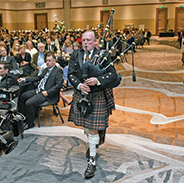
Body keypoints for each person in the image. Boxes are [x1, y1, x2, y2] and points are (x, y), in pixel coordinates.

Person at [68, 31, 118, 179]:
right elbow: (71, 73)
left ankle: (92, 161)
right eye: (83, 40)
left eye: (88, 40)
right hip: (81, 95)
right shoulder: (75, 55)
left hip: (97, 95)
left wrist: (98, 80)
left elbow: (113, 75)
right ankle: (93, 145)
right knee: (86, 126)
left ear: (95, 42)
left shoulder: (103, 55)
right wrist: (78, 85)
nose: (85, 42)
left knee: (93, 129)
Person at [18, 52, 63, 130]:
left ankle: (30, 123)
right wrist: (25, 79)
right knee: (22, 96)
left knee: (29, 103)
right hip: (38, 90)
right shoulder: (46, 69)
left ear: (54, 62)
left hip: (47, 94)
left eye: (49, 61)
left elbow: (58, 85)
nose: (47, 62)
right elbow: (38, 78)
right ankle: (25, 117)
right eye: (46, 61)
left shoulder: (58, 71)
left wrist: (48, 92)